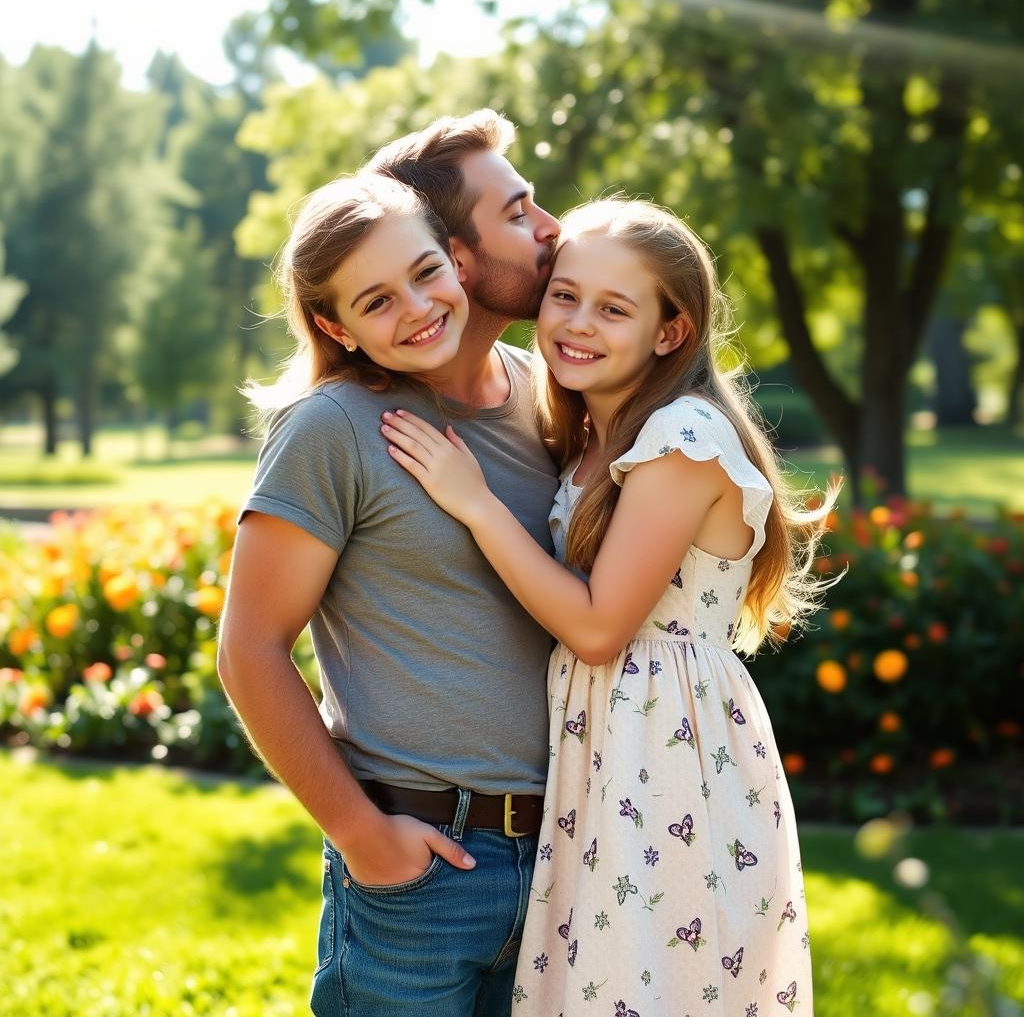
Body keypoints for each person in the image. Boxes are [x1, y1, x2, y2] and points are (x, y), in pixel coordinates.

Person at [380, 197, 835, 1016]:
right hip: (613, 747)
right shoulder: (596, 432)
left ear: (671, 333)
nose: (576, 322)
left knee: (651, 982)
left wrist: (473, 502)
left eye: (613, 308)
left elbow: (595, 628)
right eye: (565, 294)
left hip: (669, 757)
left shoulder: (682, 438)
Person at [218, 109, 561, 1017]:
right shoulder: (331, 431)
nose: (416, 309)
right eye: (376, 302)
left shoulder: (544, 396)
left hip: (572, 855)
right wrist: (360, 834)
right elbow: (249, 650)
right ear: (336, 326)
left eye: (424, 274)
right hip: (423, 867)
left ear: (453, 260)